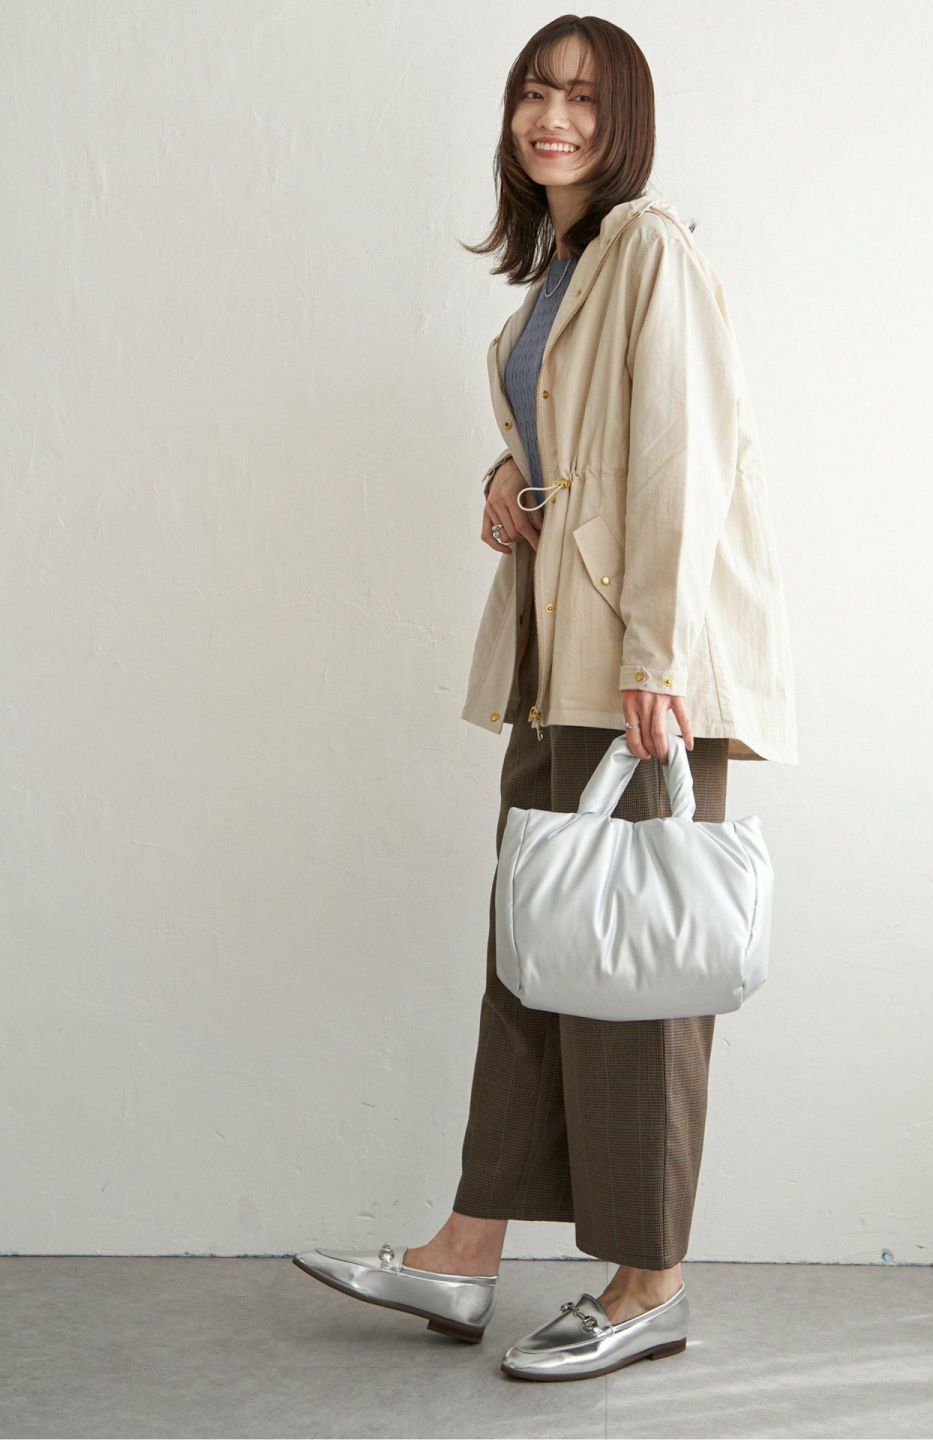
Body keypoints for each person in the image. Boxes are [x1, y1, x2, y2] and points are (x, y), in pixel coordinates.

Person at [294, 15, 797, 1382]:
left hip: (637, 674)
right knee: (535, 957)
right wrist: (502, 483)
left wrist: (657, 660)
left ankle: (650, 1285)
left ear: (624, 119)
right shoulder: (551, 285)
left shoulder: (649, 250)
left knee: (637, 985)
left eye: (580, 95)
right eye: (533, 91)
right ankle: (465, 1252)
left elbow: (682, 459)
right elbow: (563, 448)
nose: (551, 116)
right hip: (550, 669)